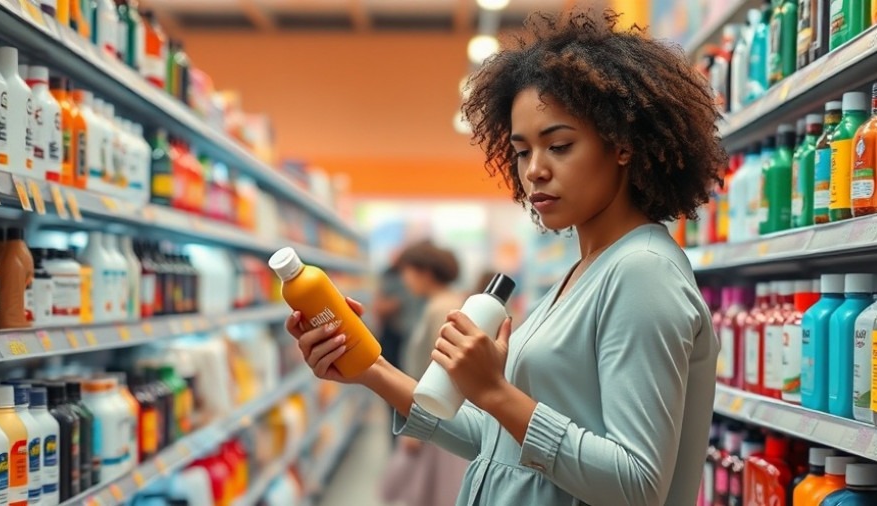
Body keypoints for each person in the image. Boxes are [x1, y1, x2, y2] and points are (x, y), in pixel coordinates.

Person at [286, 9, 723, 506]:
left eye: (559, 145)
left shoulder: (642, 272)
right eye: (521, 151)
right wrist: (369, 368)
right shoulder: (584, 270)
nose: (534, 170)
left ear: (622, 146)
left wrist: (494, 390)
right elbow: (501, 445)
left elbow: (637, 485)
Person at [380, 241, 470, 506]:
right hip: (432, 414)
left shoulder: (440, 309)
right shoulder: (443, 303)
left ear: (425, 273)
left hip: (433, 416)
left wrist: (416, 428)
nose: (404, 281)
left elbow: (442, 374)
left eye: (407, 272)